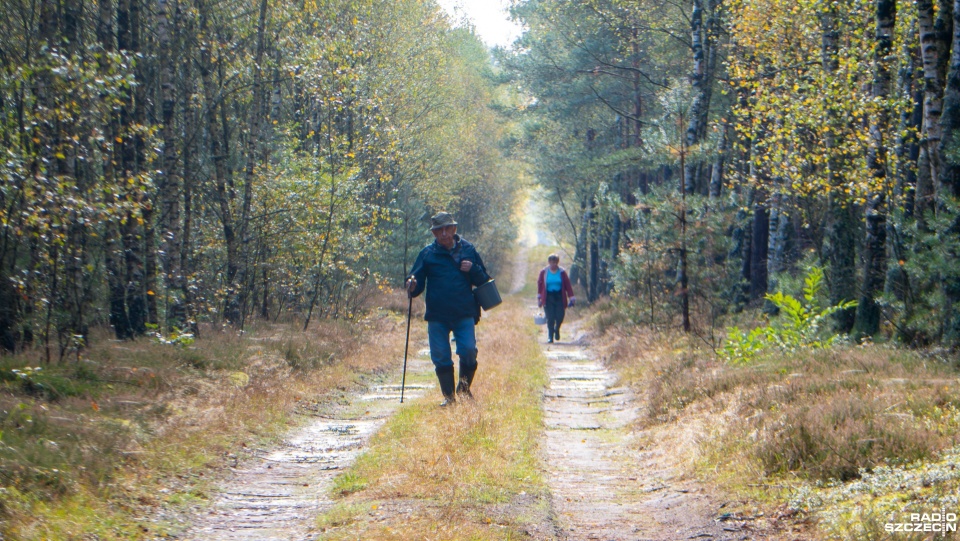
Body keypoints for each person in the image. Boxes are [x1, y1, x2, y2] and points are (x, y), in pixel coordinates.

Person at [407, 212, 491, 406]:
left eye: (447, 229)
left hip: (464, 312)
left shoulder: (469, 249)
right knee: (440, 355)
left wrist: (473, 269)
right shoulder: (427, 254)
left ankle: (464, 391)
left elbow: (484, 280)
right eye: (439, 230)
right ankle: (449, 398)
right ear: (434, 233)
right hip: (437, 314)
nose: (443, 234)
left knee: (468, 351)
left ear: (454, 229)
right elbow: (416, 283)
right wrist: (411, 284)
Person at [537, 254, 575, 343]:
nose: (553, 264)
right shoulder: (544, 272)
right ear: (549, 262)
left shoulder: (562, 272)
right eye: (551, 262)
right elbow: (540, 285)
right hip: (548, 297)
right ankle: (550, 336)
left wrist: (571, 298)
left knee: (560, 316)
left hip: (559, 296)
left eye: (555, 262)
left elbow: (568, 285)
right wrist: (539, 299)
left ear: (557, 263)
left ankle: (557, 328)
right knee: (550, 317)